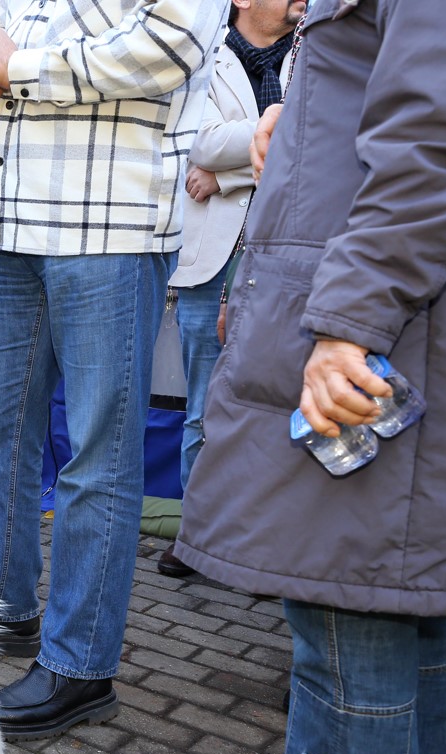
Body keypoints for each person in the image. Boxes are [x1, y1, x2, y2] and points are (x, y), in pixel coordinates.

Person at [173, 0, 446, 754]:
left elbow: (443, 146)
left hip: (381, 337)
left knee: (346, 619)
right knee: (401, 623)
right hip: (394, 322)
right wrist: (303, 132)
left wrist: (347, 323)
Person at [0, 0, 225, 741]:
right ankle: (9, 609)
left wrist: (22, 68)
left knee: (98, 452)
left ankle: (81, 666)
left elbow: (174, 42)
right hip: (9, 214)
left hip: (111, 218)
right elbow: (21, 37)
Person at [158, 0, 302, 578]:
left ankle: (272, 546)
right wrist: (278, 130)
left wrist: (228, 174)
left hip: (290, 259)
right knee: (203, 408)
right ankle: (197, 535)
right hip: (212, 264)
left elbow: (323, 143)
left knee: (280, 405)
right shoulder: (202, 52)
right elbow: (197, 141)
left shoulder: (318, 48)